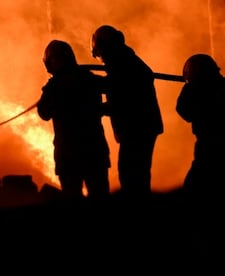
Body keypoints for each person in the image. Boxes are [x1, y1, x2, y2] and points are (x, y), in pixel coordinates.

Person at [90, 25, 164, 195]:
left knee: (131, 176)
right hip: (141, 127)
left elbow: (119, 94)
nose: (101, 58)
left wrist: (88, 83)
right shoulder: (126, 61)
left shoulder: (124, 65)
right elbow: (116, 90)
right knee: (135, 175)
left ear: (105, 47)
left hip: (137, 128)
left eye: (100, 53)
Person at [36, 39, 111, 200]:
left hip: (68, 155)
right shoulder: (89, 79)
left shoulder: (54, 87)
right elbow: (115, 88)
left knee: (72, 201)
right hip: (94, 149)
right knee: (100, 199)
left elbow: (44, 113)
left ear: (51, 62)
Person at [175, 53, 225, 192]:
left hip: (214, 148)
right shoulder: (222, 86)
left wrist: (189, 86)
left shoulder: (210, 89)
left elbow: (183, 110)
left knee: (196, 187)